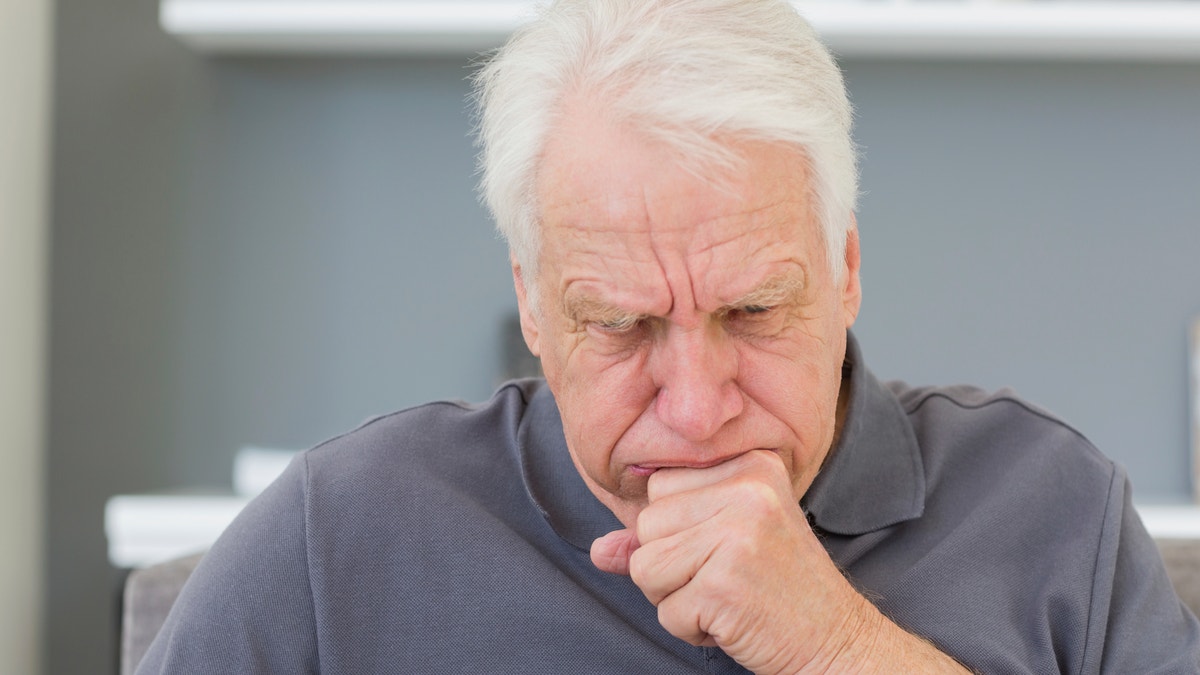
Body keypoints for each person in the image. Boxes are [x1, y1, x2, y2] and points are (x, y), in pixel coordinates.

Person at [137, 0, 1200, 672]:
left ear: (845, 271)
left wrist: (831, 646)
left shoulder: (1059, 517)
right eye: (622, 325)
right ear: (538, 311)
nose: (695, 407)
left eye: (752, 312)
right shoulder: (338, 539)